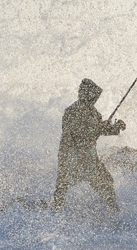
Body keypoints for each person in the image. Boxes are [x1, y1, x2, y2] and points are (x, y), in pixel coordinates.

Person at [51, 78, 126, 214]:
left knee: (106, 181)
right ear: (86, 94)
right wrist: (98, 128)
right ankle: (54, 213)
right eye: (93, 96)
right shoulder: (72, 111)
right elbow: (78, 134)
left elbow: (101, 130)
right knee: (62, 188)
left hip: (88, 157)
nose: (95, 99)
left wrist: (116, 127)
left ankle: (113, 213)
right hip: (71, 157)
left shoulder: (94, 113)